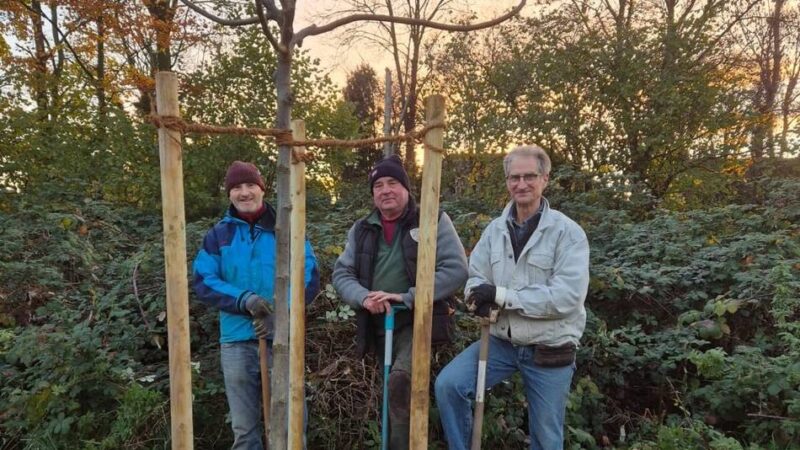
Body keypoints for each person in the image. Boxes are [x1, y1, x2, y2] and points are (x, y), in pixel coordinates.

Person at [435, 145, 590, 450]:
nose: (521, 184)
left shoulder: (567, 233)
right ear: (507, 182)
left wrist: (502, 296)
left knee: (546, 438)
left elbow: (567, 297)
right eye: (514, 177)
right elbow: (476, 276)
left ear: (545, 179)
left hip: (549, 347)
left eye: (529, 176)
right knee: (449, 385)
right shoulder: (495, 231)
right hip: (501, 342)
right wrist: (477, 297)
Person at [333, 155, 468, 449]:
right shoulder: (362, 228)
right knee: (393, 394)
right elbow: (342, 273)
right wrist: (362, 296)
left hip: (418, 322)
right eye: (378, 185)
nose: (385, 190)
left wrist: (409, 296)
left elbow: (456, 269)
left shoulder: (431, 220)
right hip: (379, 325)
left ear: (407, 188)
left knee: (400, 380)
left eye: (393, 182)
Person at [193, 160, 320, 450]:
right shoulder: (218, 236)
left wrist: (280, 316)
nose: (244, 192)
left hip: (282, 340)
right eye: (237, 187)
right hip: (236, 341)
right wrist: (245, 300)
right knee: (244, 430)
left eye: (250, 185)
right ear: (229, 194)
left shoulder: (286, 228)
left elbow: (308, 275)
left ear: (263, 189)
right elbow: (203, 279)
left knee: (291, 424)